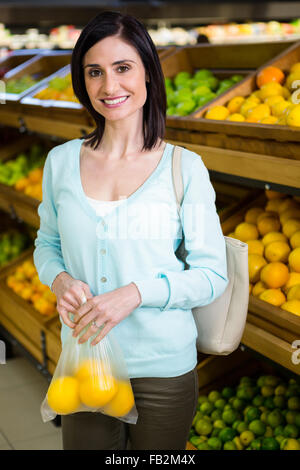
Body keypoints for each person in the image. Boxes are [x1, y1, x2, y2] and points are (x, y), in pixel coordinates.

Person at [33, 11, 228, 450]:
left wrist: (136, 293)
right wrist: (59, 278)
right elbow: (47, 245)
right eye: (94, 72)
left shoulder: (184, 168)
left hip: (163, 367)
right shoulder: (61, 162)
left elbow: (212, 275)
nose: (109, 86)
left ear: (147, 73)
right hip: (85, 363)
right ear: (82, 82)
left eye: (123, 68)